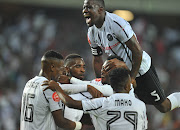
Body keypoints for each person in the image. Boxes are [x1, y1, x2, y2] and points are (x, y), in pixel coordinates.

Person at [82, 0, 180, 113]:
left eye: (89, 7)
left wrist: (131, 78)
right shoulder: (92, 32)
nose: (85, 11)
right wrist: (99, 83)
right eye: (84, 8)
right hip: (121, 73)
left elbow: (137, 52)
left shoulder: (116, 24)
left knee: (163, 107)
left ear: (100, 9)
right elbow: (97, 60)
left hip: (140, 70)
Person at [43, 67, 148, 130]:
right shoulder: (140, 105)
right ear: (126, 86)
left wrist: (57, 88)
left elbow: (70, 103)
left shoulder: (102, 103)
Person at [20, 50, 82, 130]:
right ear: (52, 67)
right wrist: (80, 126)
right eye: (60, 68)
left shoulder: (28, 83)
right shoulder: (49, 86)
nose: (61, 73)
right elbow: (61, 122)